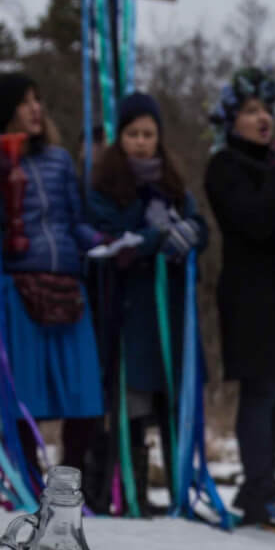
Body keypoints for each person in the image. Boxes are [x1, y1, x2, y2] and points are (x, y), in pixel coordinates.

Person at [0, 72, 105, 476]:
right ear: (4, 112)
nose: (36, 108)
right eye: (24, 101)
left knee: (85, 392)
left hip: (68, 284)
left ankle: (70, 479)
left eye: (37, 99)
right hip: (18, 287)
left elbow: (74, 218)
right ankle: (28, 476)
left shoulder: (59, 159)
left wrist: (106, 242)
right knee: (24, 394)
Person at [86, 92, 207, 514]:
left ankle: (178, 493)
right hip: (130, 315)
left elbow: (196, 221)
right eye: (133, 133)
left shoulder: (171, 184)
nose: (141, 141)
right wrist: (156, 239)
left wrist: (192, 232)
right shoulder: (104, 186)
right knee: (133, 404)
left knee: (173, 402)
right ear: (120, 137)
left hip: (170, 317)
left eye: (148, 134)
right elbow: (112, 237)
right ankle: (133, 493)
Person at [204, 68, 275, 528]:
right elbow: (256, 222)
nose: (263, 118)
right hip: (248, 296)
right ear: (230, 119)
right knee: (260, 392)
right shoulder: (225, 166)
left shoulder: (272, 164)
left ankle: (261, 484)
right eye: (250, 111)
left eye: (266, 109)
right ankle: (259, 491)